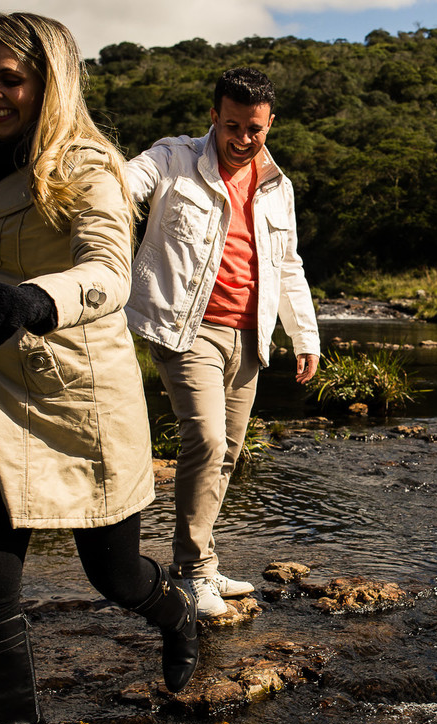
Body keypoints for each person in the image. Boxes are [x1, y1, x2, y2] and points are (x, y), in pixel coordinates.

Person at [0, 12, 198, 724]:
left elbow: (112, 272)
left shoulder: (87, 165)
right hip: (2, 385)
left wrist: (34, 300)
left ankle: (173, 607)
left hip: (83, 390)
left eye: (10, 78)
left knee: (111, 574)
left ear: (51, 79)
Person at [125, 67, 320, 617]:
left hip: (249, 335)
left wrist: (304, 336)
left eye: (253, 129)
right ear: (214, 116)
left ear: (270, 123)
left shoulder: (277, 186)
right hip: (186, 328)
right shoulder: (172, 159)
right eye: (231, 125)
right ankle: (189, 574)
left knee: (229, 453)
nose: (242, 139)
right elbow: (125, 183)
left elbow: (289, 265)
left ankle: (204, 564)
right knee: (207, 441)